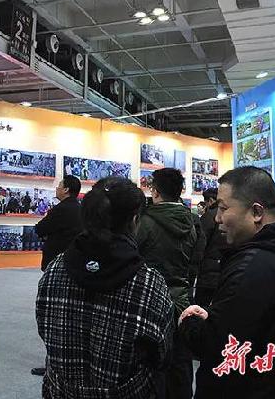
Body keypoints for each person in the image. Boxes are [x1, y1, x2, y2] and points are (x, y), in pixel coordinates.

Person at [178, 166, 275, 399]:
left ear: (256, 212)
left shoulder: (254, 266)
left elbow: (219, 347)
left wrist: (190, 322)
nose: (218, 218)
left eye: (223, 208)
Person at [36, 177, 175, 398]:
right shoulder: (149, 284)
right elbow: (161, 355)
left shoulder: (54, 271)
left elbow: (44, 329)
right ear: (134, 220)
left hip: (61, 391)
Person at [136, 168, 200, 399]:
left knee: (149, 360)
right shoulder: (193, 221)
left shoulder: (144, 222)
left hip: (149, 300)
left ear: (155, 191)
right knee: (180, 361)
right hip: (182, 298)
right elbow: (196, 260)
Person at [31, 175, 83, 377]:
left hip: (57, 267)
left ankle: (53, 364)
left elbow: (40, 228)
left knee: (54, 317)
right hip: (74, 265)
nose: (57, 188)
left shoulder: (61, 209)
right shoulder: (80, 209)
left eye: (60, 185)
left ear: (67, 189)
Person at [195, 187, 224, 307]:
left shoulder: (209, 216)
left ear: (211, 201)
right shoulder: (228, 214)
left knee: (201, 306)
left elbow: (200, 243)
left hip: (208, 272)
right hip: (224, 269)